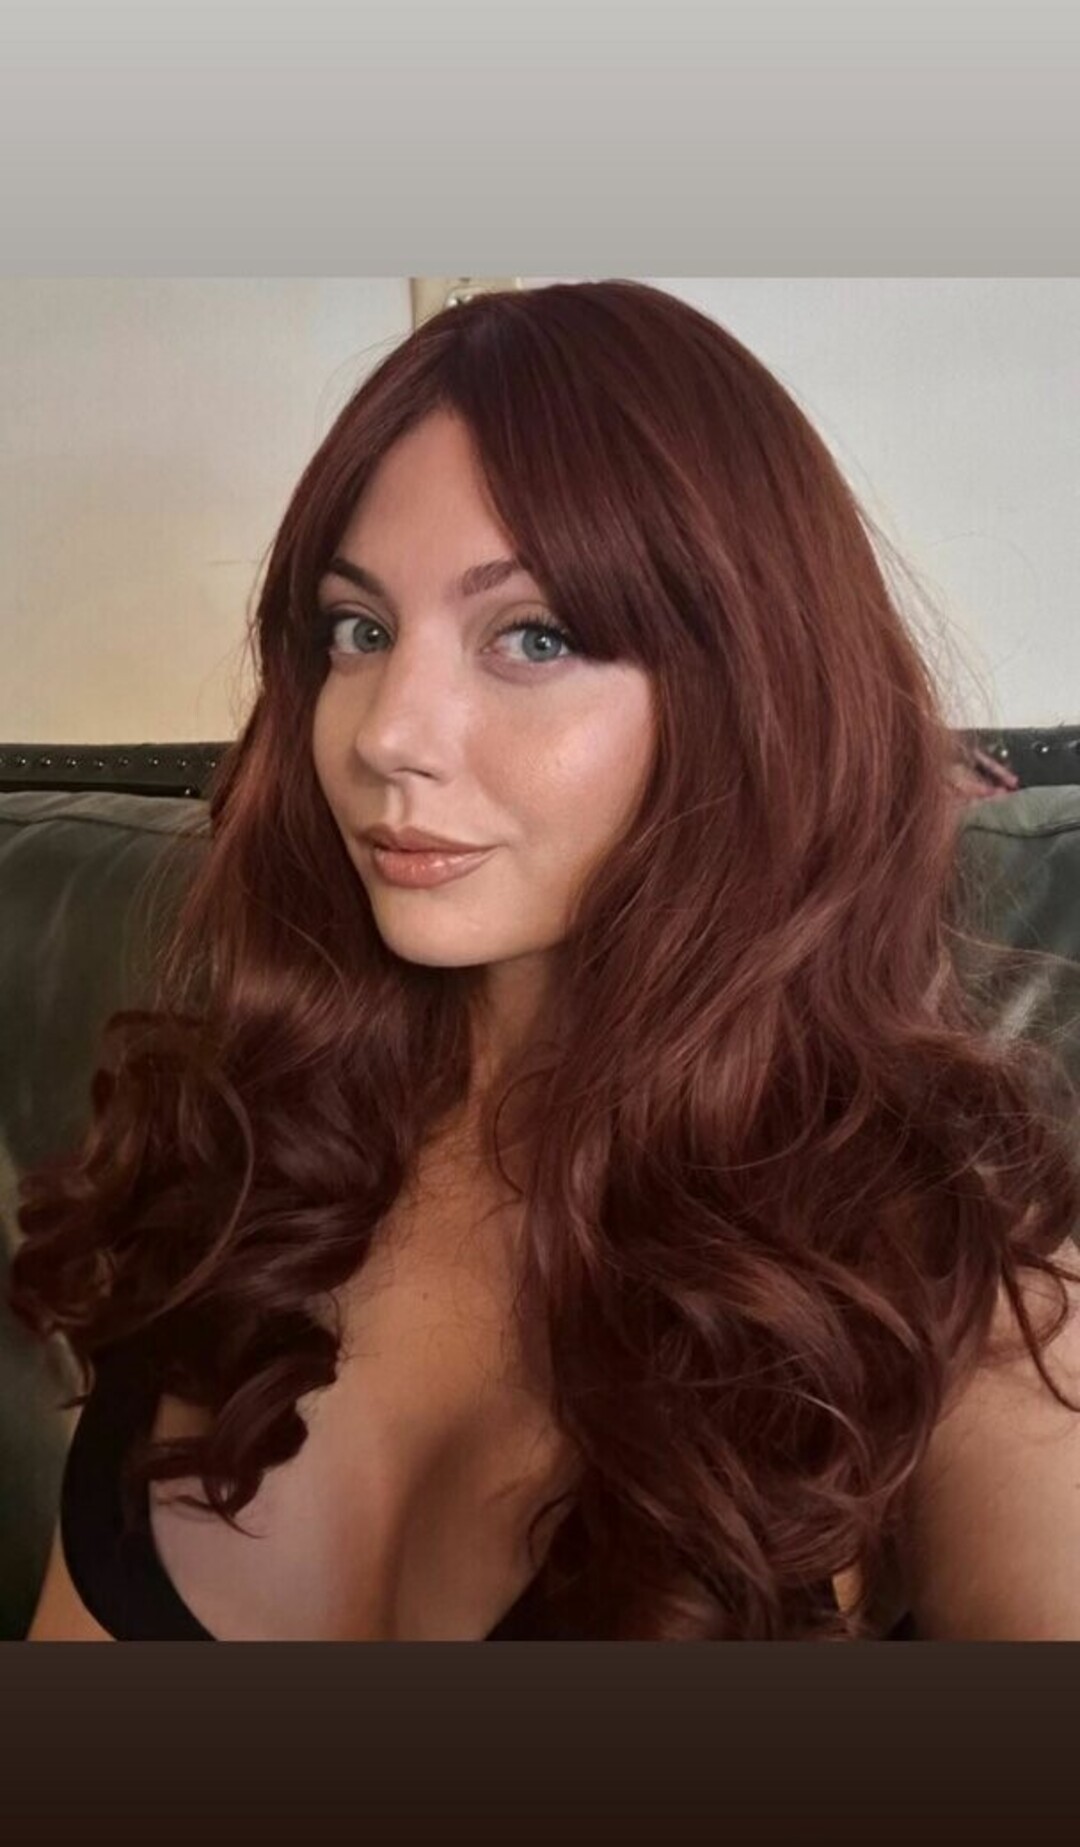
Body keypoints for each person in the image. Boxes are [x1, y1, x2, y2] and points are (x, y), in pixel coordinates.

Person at [8, 278, 1080, 1642]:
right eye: (358, 630)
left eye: (534, 636)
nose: (387, 732)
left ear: (749, 695)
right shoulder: (233, 1160)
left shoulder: (942, 1288)